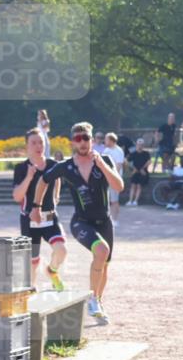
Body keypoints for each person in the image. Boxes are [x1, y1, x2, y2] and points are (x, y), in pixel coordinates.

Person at [32, 122, 124, 322]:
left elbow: (119, 185)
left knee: (104, 263)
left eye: (86, 138)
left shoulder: (104, 159)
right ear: (73, 142)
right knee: (102, 251)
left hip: (104, 221)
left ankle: (97, 302)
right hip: (81, 222)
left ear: (92, 140)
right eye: (78, 139)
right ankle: (92, 299)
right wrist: (36, 207)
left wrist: (101, 165)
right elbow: (43, 181)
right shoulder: (66, 167)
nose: (82, 143)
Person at [12, 129, 66, 291]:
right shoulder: (21, 168)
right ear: (27, 146)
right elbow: (17, 197)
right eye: (34, 142)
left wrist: (55, 198)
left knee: (61, 250)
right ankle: (31, 288)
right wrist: (29, 177)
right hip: (29, 219)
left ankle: (52, 270)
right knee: (32, 261)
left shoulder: (53, 165)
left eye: (41, 142)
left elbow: (57, 182)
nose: (38, 146)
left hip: (49, 217)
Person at [103, 133, 126, 225]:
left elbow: (118, 166)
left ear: (111, 140)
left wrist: (112, 176)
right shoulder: (106, 150)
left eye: (106, 139)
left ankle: (115, 220)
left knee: (114, 200)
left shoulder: (119, 151)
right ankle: (107, 219)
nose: (105, 141)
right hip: (105, 178)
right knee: (105, 200)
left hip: (114, 179)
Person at [127, 138, 151, 206]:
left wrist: (142, 169)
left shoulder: (146, 153)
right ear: (136, 145)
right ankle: (130, 201)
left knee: (139, 186)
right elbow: (126, 161)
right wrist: (133, 169)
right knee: (133, 186)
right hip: (135, 171)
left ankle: (135, 201)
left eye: (141, 145)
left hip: (143, 172)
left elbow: (149, 161)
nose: (140, 146)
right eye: (139, 144)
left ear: (143, 145)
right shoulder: (133, 153)